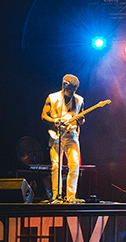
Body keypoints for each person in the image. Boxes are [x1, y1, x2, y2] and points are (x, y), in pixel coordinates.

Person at [41, 74, 85, 203]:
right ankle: (56, 196)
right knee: (56, 165)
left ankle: (71, 197)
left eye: (75, 89)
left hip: (71, 135)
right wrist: (55, 122)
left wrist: (81, 119)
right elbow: (44, 116)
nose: (73, 92)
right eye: (71, 89)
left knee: (75, 164)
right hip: (56, 135)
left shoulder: (79, 100)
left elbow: (81, 119)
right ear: (64, 85)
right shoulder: (52, 98)